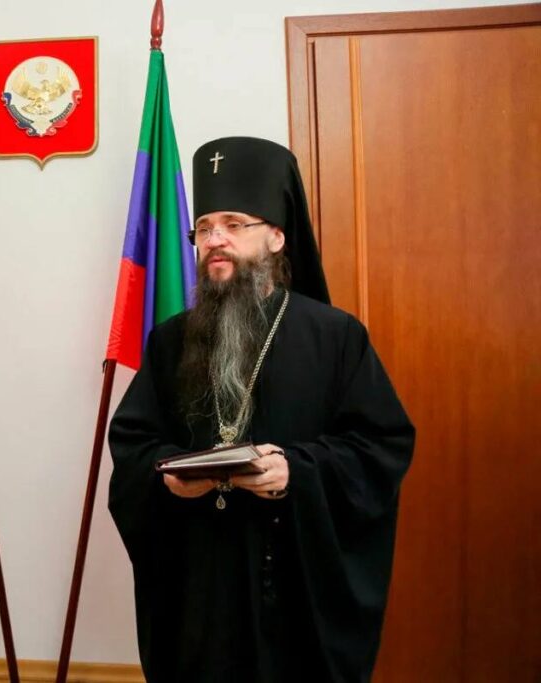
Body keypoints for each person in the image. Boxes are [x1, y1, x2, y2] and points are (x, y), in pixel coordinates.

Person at [108, 136, 414, 682]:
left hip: (294, 593)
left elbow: (380, 446)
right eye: (204, 228)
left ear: (276, 236)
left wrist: (296, 470)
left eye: (233, 224)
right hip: (200, 596)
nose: (215, 240)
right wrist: (168, 476)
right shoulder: (170, 341)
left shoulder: (335, 337)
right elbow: (134, 445)